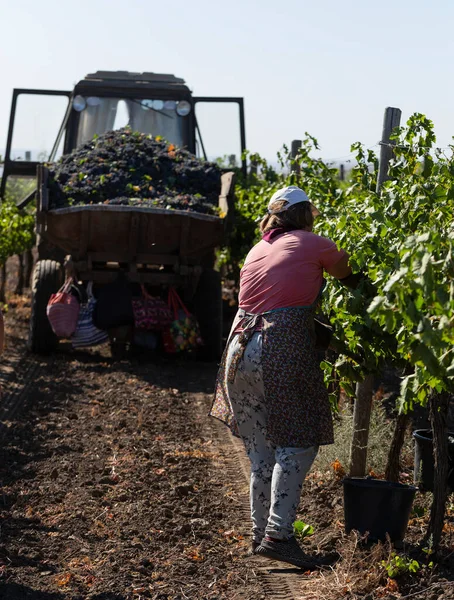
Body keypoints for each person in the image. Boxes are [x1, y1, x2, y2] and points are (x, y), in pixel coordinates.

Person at [210, 185, 357, 569]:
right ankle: (279, 535)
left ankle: (261, 534)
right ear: (304, 213)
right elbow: (353, 277)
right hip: (276, 348)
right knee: (298, 443)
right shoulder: (313, 243)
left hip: (237, 350)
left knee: (262, 453)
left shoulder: (258, 248)